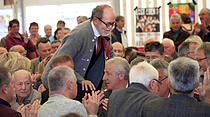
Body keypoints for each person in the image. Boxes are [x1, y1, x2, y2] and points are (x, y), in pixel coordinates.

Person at [41, 4, 115, 92]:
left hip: (90, 86)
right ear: (95, 20)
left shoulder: (104, 31)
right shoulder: (79, 34)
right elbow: (58, 63)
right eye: (107, 24)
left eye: (112, 24)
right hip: (66, 86)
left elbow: (111, 56)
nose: (110, 28)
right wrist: (80, 79)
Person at [142, 57, 210, 117]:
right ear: (197, 83)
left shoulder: (150, 108)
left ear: (169, 82)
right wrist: (207, 99)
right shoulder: (205, 110)